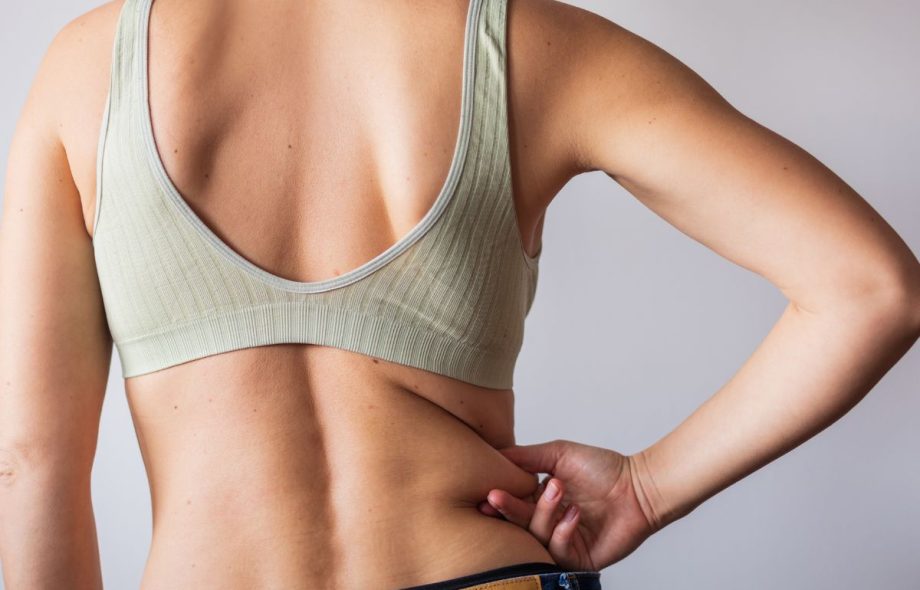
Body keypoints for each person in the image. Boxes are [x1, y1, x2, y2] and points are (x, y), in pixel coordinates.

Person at [1, 0, 918, 588]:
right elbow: (873, 289)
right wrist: (642, 490)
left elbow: (29, 464)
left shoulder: (87, 70)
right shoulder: (536, 46)